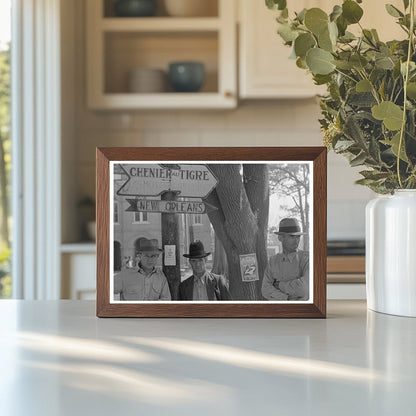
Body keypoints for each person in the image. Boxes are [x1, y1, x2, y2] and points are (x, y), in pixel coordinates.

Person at [262, 218, 309, 301]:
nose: (296, 241)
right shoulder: (273, 261)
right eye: (292, 236)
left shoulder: (306, 259)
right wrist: (285, 298)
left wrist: (279, 285)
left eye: (298, 237)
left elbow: (305, 288)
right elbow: (265, 289)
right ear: (280, 238)